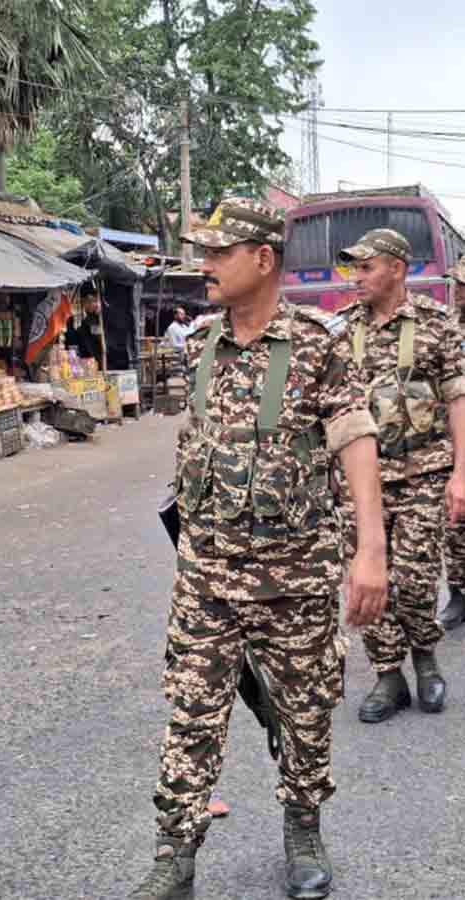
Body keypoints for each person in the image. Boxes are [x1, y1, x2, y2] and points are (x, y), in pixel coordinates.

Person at [130, 198, 388, 900]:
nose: (204, 265)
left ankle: (302, 823)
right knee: (191, 712)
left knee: (305, 710)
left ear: (263, 259)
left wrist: (371, 551)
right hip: (207, 575)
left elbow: (356, 439)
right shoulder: (197, 343)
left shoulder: (319, 342)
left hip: (296, 575)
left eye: (218, 253)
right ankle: (174, 854)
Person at [336, 231, 465, 722]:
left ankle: (427, 663)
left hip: (423, 472)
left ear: (396, 269)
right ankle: (388, 677)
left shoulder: (436, 324)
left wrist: (461, 474)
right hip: (361, 480)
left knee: (414, 578)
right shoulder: (343, 329)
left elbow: (457, 399)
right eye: (356, 269)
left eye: (367, 268)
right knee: (370, 582)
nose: (358, 278)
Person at [440, 255, 465, 628]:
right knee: (455, 524)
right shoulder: (447, 329)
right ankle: (459, 593)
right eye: (457, 284)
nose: (458, 291)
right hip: (454, 437)